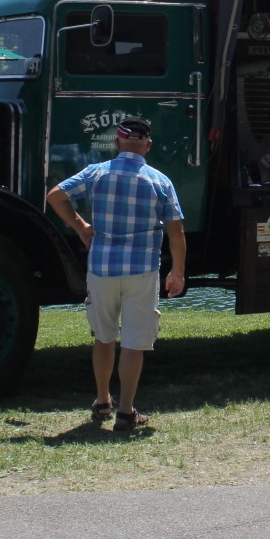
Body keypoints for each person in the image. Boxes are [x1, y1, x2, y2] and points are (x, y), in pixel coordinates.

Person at [46, 117, 186, 432]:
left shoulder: (97, 173)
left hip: (101, 269)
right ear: (148, 146)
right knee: (134, 343)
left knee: (104, 337)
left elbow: (55, 195)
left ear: (117, 143)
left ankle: (102, 401)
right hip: (141, 271)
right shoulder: (159, 181)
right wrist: (177, 272)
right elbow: (176, 231)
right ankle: (126, 412)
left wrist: (81, 226)